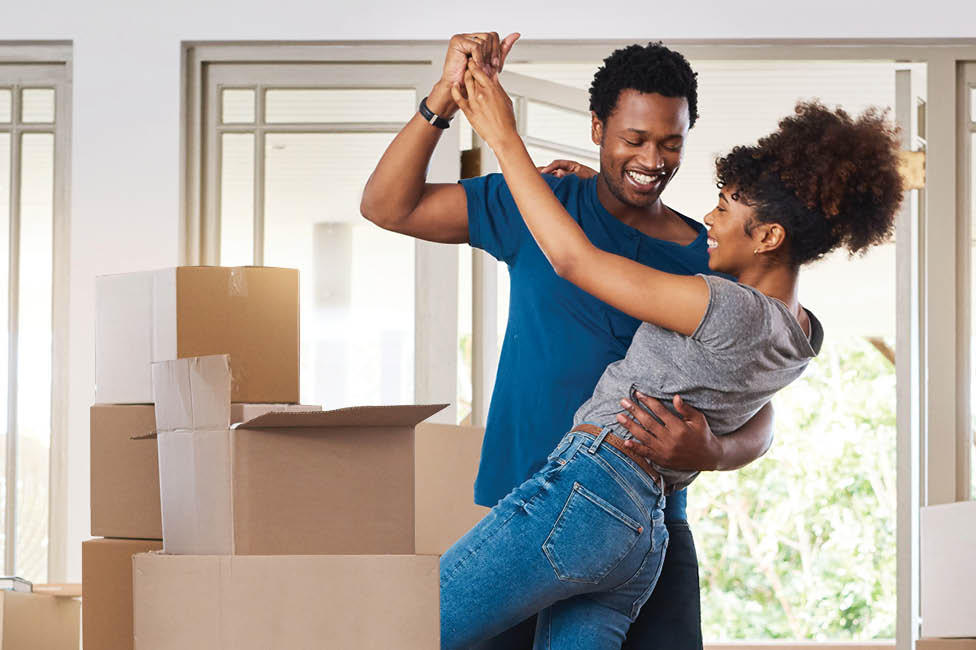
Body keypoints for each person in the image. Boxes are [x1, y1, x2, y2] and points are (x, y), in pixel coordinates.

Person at [439, 58, 901, 649]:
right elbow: (759, 411)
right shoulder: (802, 335)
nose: (707, 217)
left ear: (768, 237)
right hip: (643, 530)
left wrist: (504, 136)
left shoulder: (726, 306)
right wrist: (596, 194)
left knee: (415, 622)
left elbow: (576, 261)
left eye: (726, 207)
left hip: (589, 492)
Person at [361, 34, 777, 649]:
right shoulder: (540, 203)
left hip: (651, 523)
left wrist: (714, 450)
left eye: (671, 142)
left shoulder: (708, 258)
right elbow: (387, 206)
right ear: (596, 128)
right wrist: (446, 98)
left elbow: (763, 408)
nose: (653, 159)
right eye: (634, 139)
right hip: (529, 513)